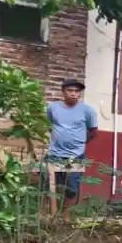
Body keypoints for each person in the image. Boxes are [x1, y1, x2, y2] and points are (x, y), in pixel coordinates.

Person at [45, 78, 98, 206]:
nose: (73, 93)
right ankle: (48, 214)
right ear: (63, 92)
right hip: (55, 153)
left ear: (80, 93)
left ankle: (66, 217)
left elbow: (93, 130)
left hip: (76, 154)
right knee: (49, 185)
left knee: (71, 188)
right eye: (70, 90)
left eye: (76, 91)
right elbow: (48, 125)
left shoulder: (88, 111)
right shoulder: (53, 108)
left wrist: (80, 143)